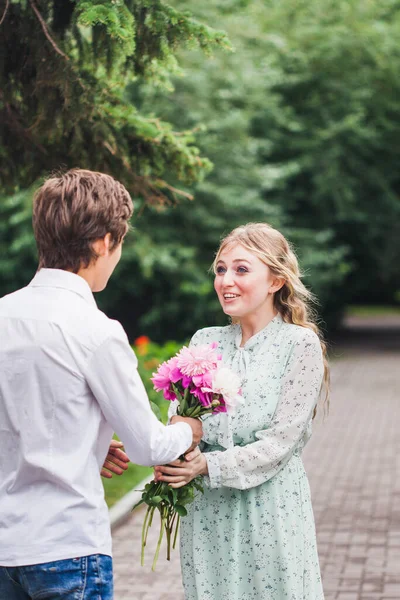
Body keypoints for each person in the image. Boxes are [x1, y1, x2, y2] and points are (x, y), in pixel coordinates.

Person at [0, 169, 202, 600]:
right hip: (66, 546)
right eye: (120, 242)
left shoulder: (3, 314)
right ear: (102, 242)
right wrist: (190, 428)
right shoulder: (95, 330)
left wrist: (86, 443)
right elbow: (148, 447)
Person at [155, 222, 328, 600]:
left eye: (241, 269)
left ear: (275, 281)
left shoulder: (299, 345)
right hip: (207, 515)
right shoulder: (205, 341)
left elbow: (280, 444)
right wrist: (176, 451)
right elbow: (181, 421)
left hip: (269, 512)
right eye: (221, 269)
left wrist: (207, 465)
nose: (225, 280)